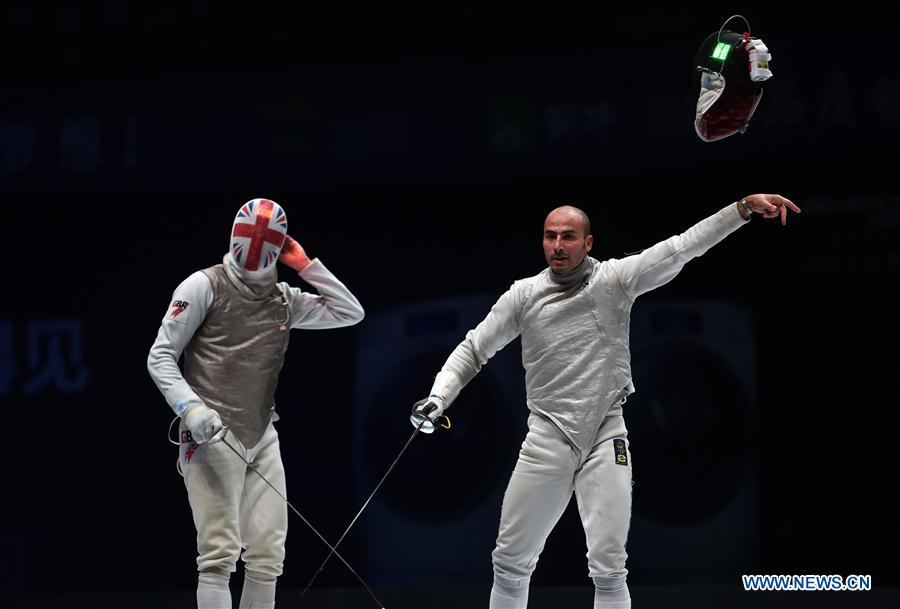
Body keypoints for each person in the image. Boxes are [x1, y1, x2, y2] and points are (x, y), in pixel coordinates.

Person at [410, 195, 800, 609]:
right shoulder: (523, 296)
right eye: (550, 236)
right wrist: (439, 397)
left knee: (610, 566)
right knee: (509, 563)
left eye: (568, 237)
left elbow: (683, 246)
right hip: (546, 437)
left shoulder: (616, 280)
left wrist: (739, 210)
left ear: (589, 242)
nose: (558, 245)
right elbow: (474, 348)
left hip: (605, 435)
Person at [148, 198, 364, 609]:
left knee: (268, 555)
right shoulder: (202, 285)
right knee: (218, 554)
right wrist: (192, 410)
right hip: (209, 434)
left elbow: (349, 312)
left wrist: (306, 266)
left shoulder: (285, 299)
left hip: (262, 434)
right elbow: (160, 356)